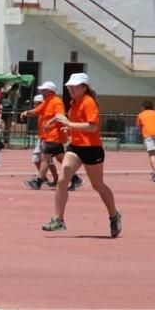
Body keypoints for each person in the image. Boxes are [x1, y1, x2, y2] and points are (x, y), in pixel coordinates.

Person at [41, 73, 121, 237]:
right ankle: (58, 219)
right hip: (75, 147)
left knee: (98, 185)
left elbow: (92, 127)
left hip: (92, 149)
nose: (71, 89)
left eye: (75, 86)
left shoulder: (88, 102)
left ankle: (114, 215)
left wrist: (70, 124)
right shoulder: (74, 102)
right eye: (70, 86)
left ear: (84, 87)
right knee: (63, 179)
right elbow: (75, 123)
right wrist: (68, 127)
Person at [20, 82, 66, 190]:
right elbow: (36, 111)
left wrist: (50, 121)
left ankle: (38, 181)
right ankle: (75, 178)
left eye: (44, 90)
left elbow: (60, 115)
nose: (42, 92)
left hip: (53, 135)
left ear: (51, 91)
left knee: (45, 158)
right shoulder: (47, 102)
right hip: (49, 136)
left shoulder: (57, 102)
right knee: (61, 159)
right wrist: (26, 112)